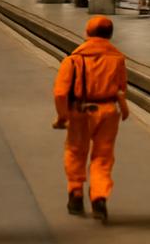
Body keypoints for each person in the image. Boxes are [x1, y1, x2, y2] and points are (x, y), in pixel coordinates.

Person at [52, 16, 129, 223]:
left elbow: (60, 93)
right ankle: (99, 197)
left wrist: (62, 117)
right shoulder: (118, 59)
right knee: (103, 157)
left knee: (76, 152)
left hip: (80, 112)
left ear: (87, 34)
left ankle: (75, 194)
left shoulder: (73, 60)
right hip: (108, 112)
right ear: (110, 35)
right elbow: (122, 88)